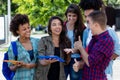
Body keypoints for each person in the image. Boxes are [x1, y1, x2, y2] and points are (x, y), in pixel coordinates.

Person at [65, 10, 114, 80]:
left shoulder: (106, 41)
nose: (88, 27)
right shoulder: (95, 38)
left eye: (89, 23)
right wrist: (79, 65)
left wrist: (80, 47)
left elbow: (90, 61)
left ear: (96, 25)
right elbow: (87, 57)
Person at [79, 0, 120, 80]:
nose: (87, 19)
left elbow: (117, 51)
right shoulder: (86, 31)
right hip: (88, 73)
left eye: (89, 16)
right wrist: (82, 63)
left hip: (104, 72)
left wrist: (99, 60)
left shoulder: (109, 32)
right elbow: (85, 51)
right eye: (85, 16)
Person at [34, 16, 71, 80]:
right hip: (44, 76)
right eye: (54, 24)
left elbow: (66, 62)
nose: (57, 27)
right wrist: (48, 61)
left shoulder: (66, 41)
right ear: (50, 28)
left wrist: (69, 53)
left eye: (59, 24)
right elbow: (41, 60)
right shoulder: (43, 41)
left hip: (59, 76)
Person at [8, 14, 39, 80]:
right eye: (24, 29)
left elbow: (42, 61)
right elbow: (11, 67)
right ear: (17, 31)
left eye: (28, 27)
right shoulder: (13, 47)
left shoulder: (37, 42)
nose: (28, 30)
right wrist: (16, 66)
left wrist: (31, 65)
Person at [64, 4, 85, 80]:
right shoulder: (62, 27)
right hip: (64, 59)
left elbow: (83, 47)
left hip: (76, 59)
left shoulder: (82, 29)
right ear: (66, 15)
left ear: (78, 16)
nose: (71, 18)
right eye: (69, 15)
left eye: (74, 16)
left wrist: (72, 50)